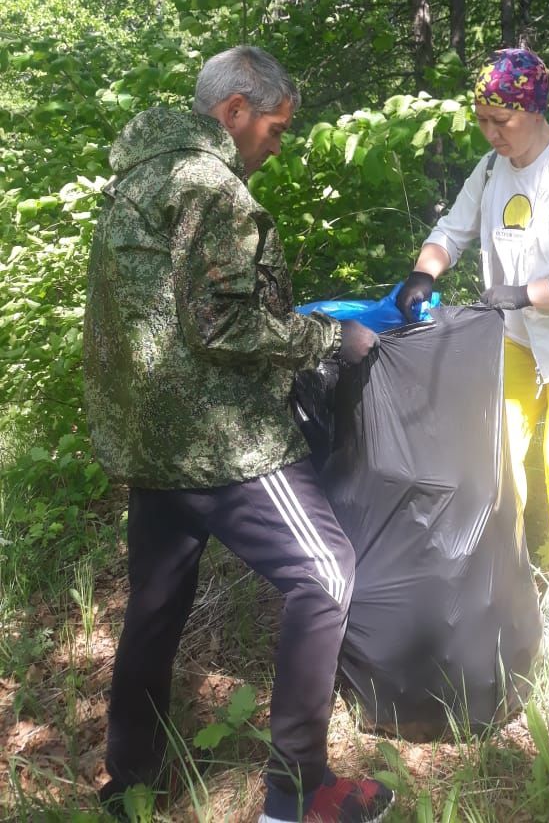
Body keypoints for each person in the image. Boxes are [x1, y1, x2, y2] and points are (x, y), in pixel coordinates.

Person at [83, 46, 394, 823]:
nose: (276, 144)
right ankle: (298, 796)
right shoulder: (212, 190)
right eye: (276, 128)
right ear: (236, 110)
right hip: (222, 441)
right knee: (324, 576)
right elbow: (222, 323)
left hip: (151, 439)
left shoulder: (139, 178)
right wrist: (326, 339)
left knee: (154, 605)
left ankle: (130, 787)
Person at [396, 48, 549, 659]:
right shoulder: (491, 168)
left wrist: (530, 293)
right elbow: (452, 229)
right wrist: (425, 273)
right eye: (482, 120)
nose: (491, 133)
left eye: (501, 121)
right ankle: (506, 568)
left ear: (533, 109)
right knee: (501, 451)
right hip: (516, 334)